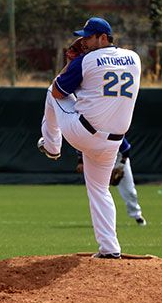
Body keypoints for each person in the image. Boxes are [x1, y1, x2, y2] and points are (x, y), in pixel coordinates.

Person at [37, 17, 141, 259]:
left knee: (50, 93)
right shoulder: (135, 58)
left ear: (103, 38)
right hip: (112, 143)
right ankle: (110, 249)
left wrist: (70, 64)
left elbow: (58, 90)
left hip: (82, 132)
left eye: (88, 37)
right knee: (99, 190)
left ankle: (52, 146)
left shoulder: (86, 61)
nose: (83, 42)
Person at [75, 137, 147, 226]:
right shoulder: (88, 133)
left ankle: (137, 215)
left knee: (129, 191)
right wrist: (80, 162)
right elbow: (80, 148)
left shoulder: (112, 131)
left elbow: (126, 150)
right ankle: (101, 220)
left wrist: (121, 165)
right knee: (98, 192)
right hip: (98, 160)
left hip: (118, 159)